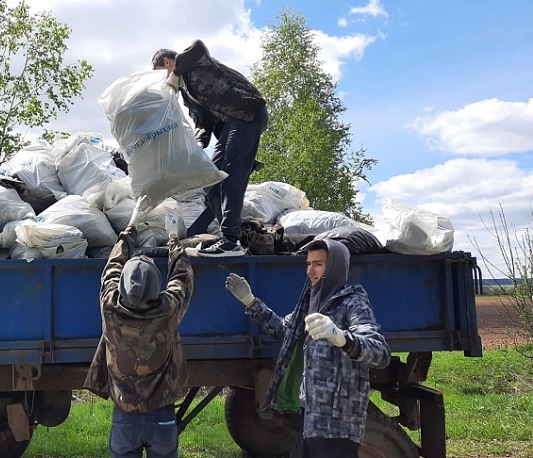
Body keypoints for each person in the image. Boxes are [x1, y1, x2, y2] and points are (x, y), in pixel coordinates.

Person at [224, 239, 390, 458]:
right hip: (308, 420)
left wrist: (340, 337)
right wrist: (250, 302)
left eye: (318, 264)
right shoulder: (310, 303)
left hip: (337, 426)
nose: (310, 270)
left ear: (335, 267)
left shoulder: (352, 302)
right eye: (308, 264)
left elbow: (380, 353)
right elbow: (285, 331)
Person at [84, 196, 194, 458]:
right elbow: (182, 278)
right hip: (162, 416)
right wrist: (173, 240)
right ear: (157, 285)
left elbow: (111, 268)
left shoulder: (110, 308)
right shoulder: (167, 309)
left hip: (125, 415)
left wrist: (130, 229)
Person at [151, 40, 268, 258]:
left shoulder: (195, 64)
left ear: (167, 62)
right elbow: (202, 122)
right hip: (229, 125)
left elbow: (198, 46)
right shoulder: (185, 92)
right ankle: (232, 235)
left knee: (232, 174)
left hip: (247, 112)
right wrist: (195, 146)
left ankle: (230, 240)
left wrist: (176, 72)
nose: (164, 80)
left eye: (161, 73)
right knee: (211, 181)